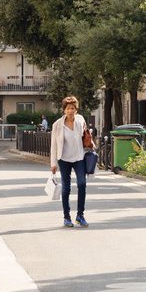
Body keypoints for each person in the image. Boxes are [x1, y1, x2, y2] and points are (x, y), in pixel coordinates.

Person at [50, 95, 89, 228]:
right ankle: (67, 217)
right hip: (64, 159)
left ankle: (80, 215)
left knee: (82, 184)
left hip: (79, 157)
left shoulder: (81, 120)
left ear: (76, 109)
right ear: (64, 110)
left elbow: (86, 136)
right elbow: (53, 145)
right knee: (66, 188)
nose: (70, 111)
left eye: (72, 108)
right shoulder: (57, 125)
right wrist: (53, 163)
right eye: (68, 108)